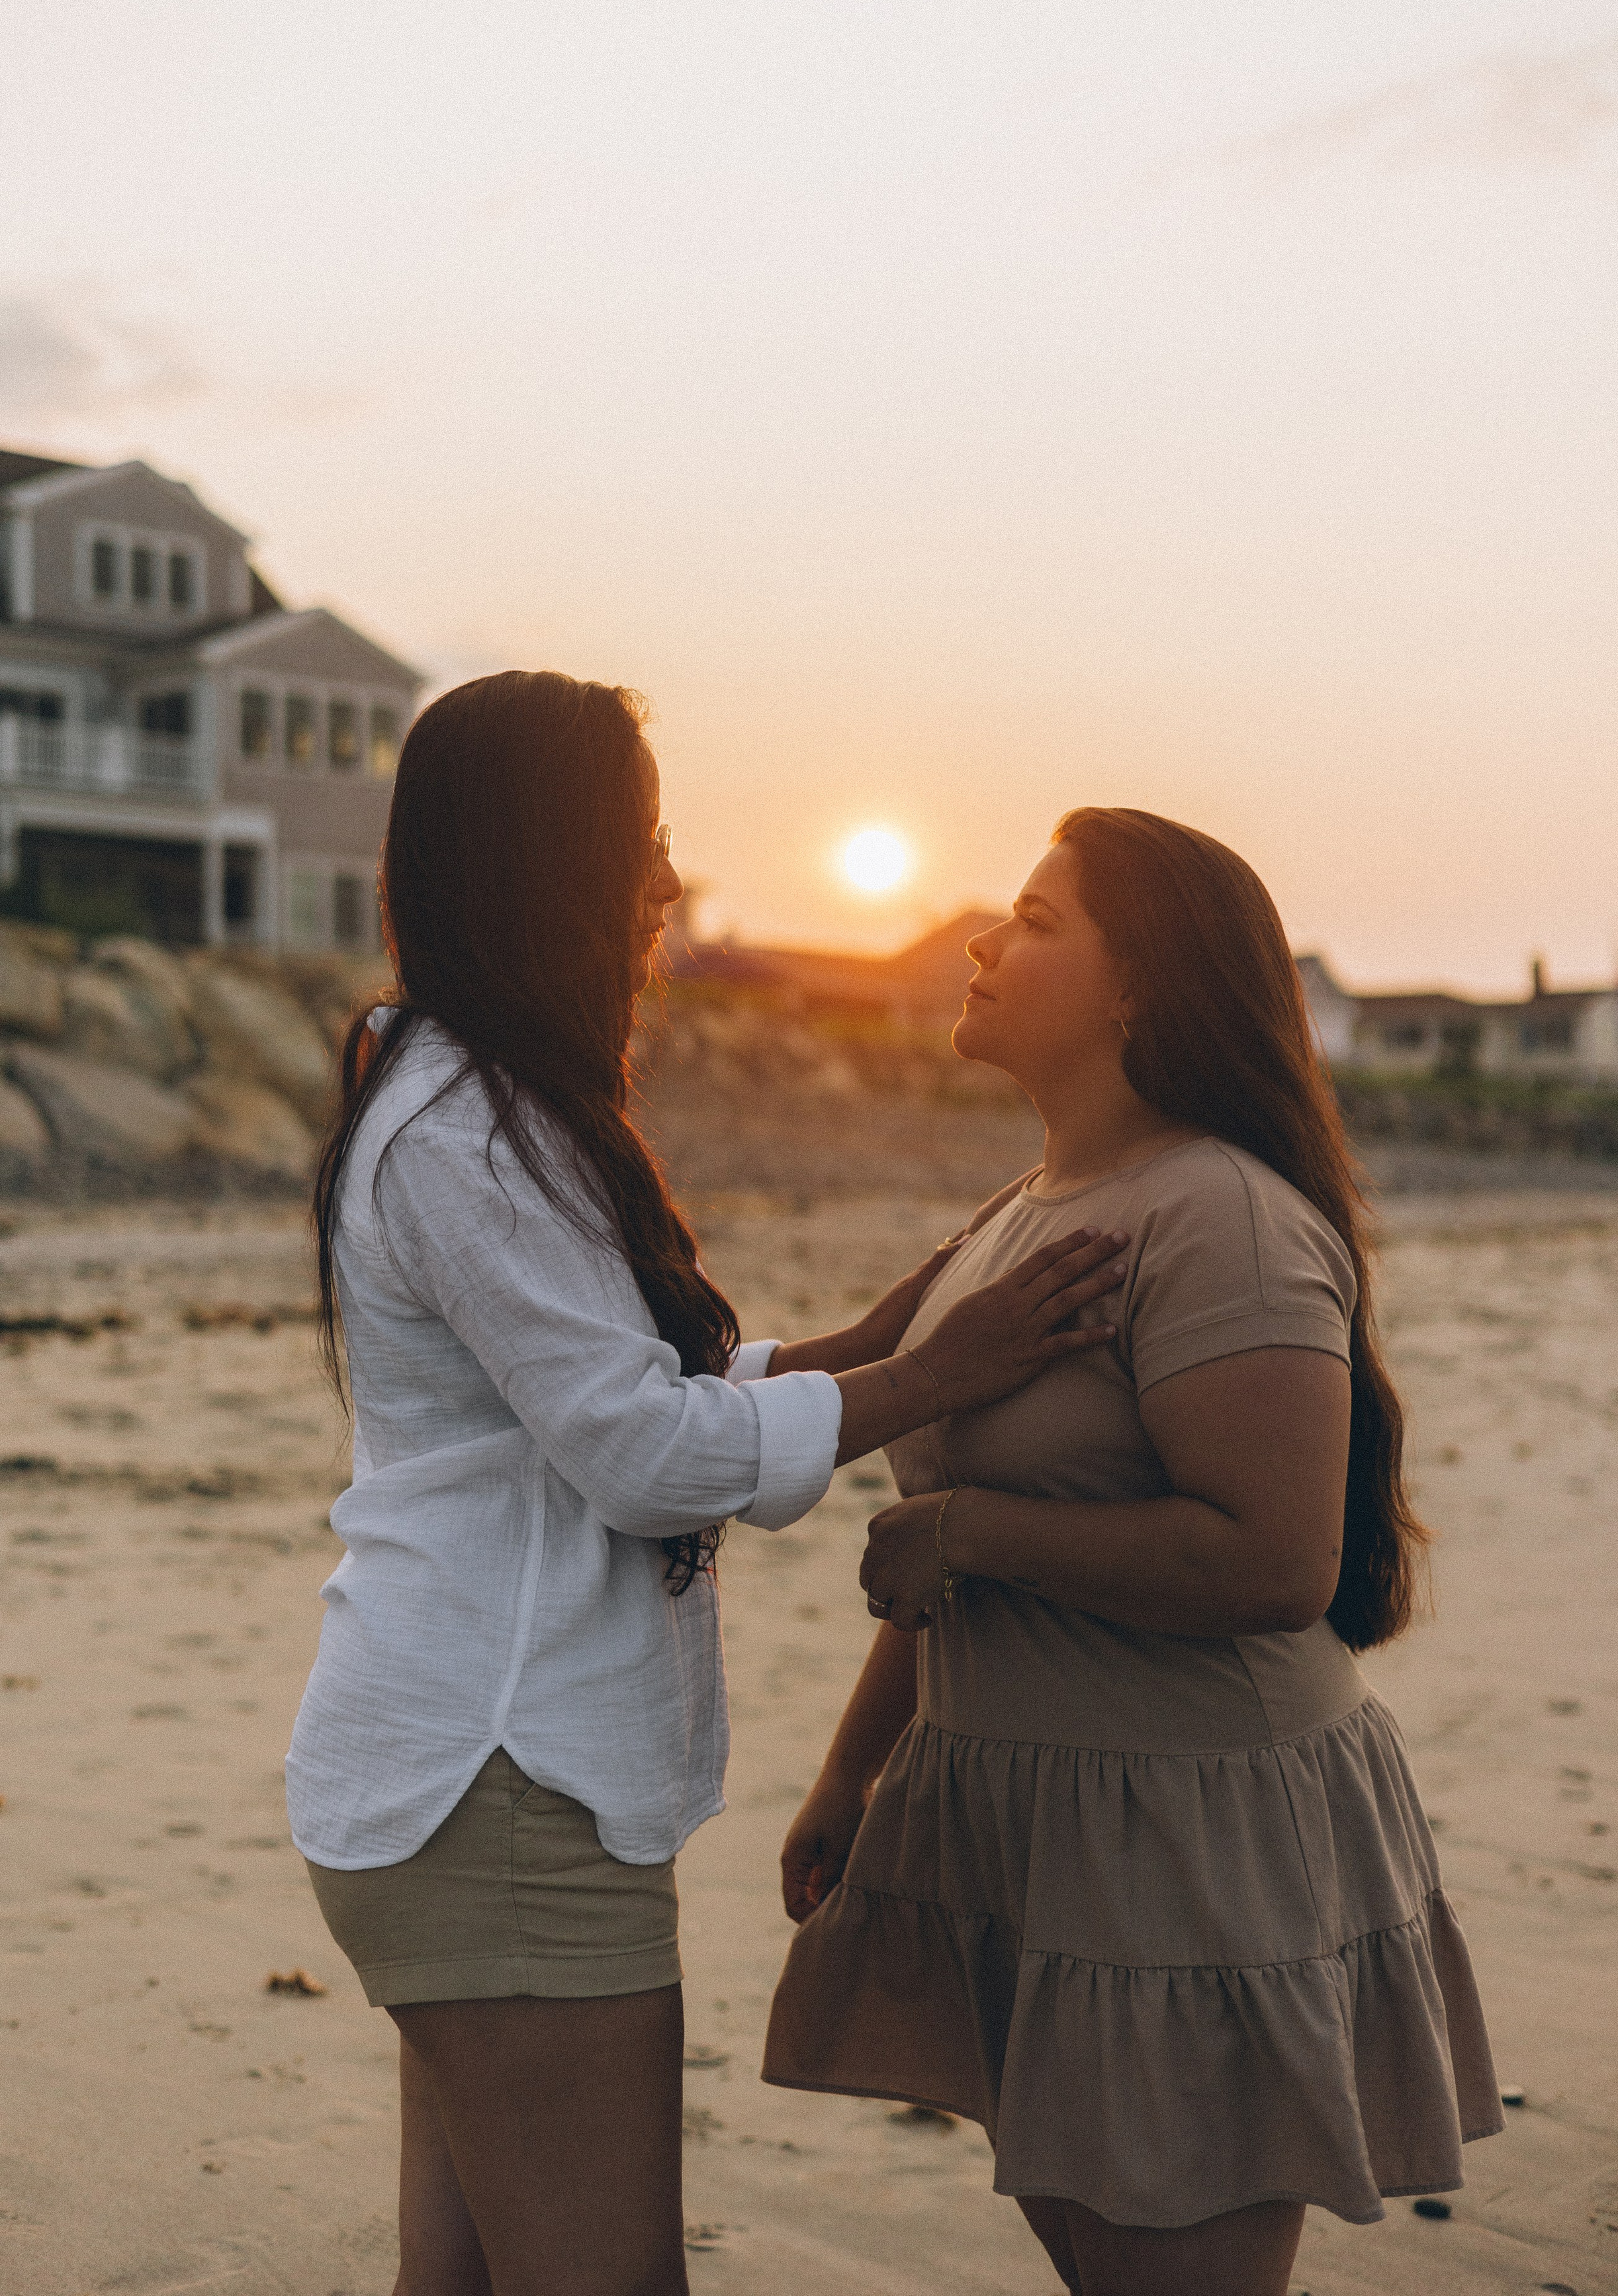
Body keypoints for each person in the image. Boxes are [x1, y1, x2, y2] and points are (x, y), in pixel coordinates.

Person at [287, 670, 1129, 2296]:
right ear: (544, 861)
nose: (666, 884)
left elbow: (625, 1398)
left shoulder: (476, 1095)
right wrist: (931, 1379)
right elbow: (637, 1454)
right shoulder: (466, 1127)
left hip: (461, 1781)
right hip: (497, 1781)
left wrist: (878, 1335)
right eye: (639, 844)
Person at [763, 807, 1502, 2296]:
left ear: (1135, 987)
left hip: (1186, 1839)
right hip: (1027, 1815)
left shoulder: (1219, 1215)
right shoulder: (1022, 1212)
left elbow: (1271, 1562)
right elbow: (939, 1534)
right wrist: (855, 1768)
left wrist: (972, 1530)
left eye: (1035, 921)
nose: (980, 939)